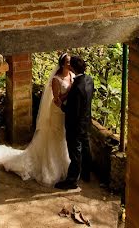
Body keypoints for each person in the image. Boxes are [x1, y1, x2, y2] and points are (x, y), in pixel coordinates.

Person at [0, 53, 73, 187]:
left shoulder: (72, 75)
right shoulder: (56, 79)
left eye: (71, 62)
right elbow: (56, 100)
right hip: (57, 112)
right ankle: (51, 169)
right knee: (55, 137)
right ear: (62, 64)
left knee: (63, 138)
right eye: (68, 62)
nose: (70, 65)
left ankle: (65, 165)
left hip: (67, 113)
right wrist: (70, 91)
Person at [55, 55, 94, 190]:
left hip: (75, 125)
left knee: (75, 152)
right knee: (86, 147)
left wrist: (61, 105)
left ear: (72, 67)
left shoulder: (76, 87)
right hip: (86, 121)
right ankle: (86, 174)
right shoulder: (89, 80)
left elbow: (72, 110)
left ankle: (72, 181)